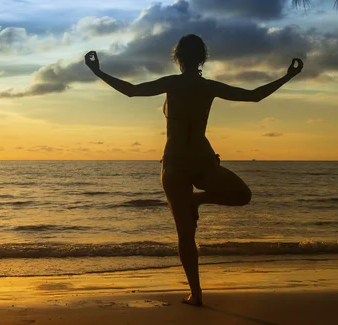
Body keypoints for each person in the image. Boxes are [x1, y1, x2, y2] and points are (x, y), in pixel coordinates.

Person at [84, 34, 303, 306]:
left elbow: (130, 89)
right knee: (242, 195)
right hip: (202, 159)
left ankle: (196, 293)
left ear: (178, 57)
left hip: (175, 163)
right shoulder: (208, 86)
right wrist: (288, 76)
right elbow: (254, 96)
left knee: (185, 234)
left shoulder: (172, 83)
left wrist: (98, 71)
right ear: (202, 58)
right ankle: (198, 202)